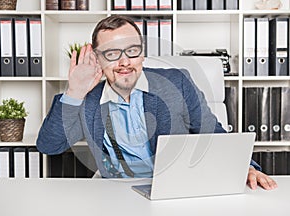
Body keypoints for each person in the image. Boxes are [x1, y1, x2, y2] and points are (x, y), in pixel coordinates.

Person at [36, 15, 277, 190]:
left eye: (132, 50)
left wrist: (245, 167)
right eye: (111, 53)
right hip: (112, 191)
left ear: (142, 53)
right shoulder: (87, 98)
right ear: (97, 59)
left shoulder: (177, 82)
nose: (124, 62)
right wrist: (74, 91)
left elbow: (211, 132)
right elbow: (50, 146)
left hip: (172, 187)